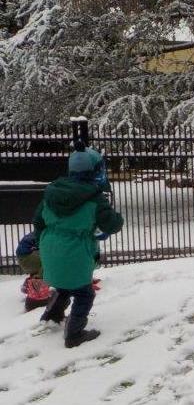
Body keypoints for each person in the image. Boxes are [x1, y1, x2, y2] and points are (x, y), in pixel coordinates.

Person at [33, 147, 123, 347]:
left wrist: (46, 243)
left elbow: (38, 222)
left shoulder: (52, 193)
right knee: (85, 294)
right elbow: (112, 224)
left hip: (50, 248)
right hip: (76, 250)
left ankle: (52, 315)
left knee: (65, 285)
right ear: (95, 171)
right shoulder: (94, 198)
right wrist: (117, 219)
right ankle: (74, 334)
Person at [15, 230, 51, 312]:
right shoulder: (46, 233)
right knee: (48, 261)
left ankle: (29, 285)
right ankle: (38, 293)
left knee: (43, 262)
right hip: (26, 257)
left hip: (24, 257)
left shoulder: (41, 231)